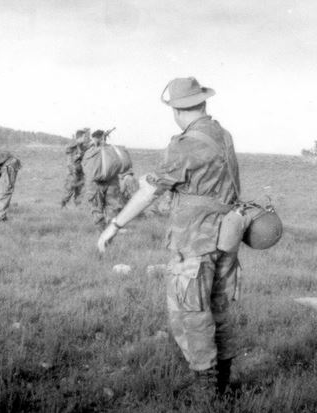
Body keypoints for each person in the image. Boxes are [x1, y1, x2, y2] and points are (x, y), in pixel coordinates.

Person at [98, 77, 241, 395]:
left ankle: (206, 388)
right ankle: (225, 380)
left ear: (176, 110)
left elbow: (149, 191)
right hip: (226, 237)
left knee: (190, 313)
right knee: (218, 306)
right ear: (203, 102)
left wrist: (114, 226)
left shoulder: (185, 144)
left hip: (196, 241)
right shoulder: (222, 135)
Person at [83, 129, 124, 231]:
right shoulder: (113, 150)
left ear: (94, 139)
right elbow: (121, 165)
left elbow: (85, 167)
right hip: (112, 183)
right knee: (112, 207)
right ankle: (111, 231)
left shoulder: (89, 152)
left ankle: (101, 231)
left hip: (94, 184)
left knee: (96, 208)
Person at [61, 128, 90, 207]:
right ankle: (63, 205)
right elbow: (69, 159)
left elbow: (89, 149)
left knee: (80, 191)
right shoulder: (72, 146)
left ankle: (78, 207)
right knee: (69, 191)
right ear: (79, 137)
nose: (85, 139)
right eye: (84, 137)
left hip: (80, 172)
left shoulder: (83, 147)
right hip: (72, 172)